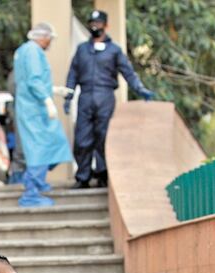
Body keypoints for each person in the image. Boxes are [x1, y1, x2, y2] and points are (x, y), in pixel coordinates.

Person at [64, 10, 154, 189]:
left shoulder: (114, 50)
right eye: (92, 23)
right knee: (82, 138)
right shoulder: (82, 49)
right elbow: (73, 73)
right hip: (86, 95)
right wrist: (69, 94)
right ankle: (83, 176)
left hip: (105, 96)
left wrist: (139, 88)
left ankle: (103, 174)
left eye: (98, 23)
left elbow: (127, 72)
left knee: (103, 137)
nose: (94, 26)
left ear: (106, 26)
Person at [13, 23, 73, 207]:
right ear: (43, 37)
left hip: (31, 106)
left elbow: (29, 80)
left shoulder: (25, 50)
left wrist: (55, 90)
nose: (50, 42)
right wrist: (47, 101)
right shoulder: (32, 51)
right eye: (49, 38)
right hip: (35, 108)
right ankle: (31, 192)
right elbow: (34, 80)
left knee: (52, 143)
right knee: (40, 148)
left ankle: (38, 182)